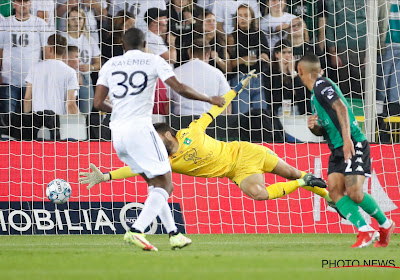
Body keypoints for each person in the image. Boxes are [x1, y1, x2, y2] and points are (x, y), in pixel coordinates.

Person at [81, 70, 341, 219]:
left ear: (170, 135)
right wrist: (105, 176)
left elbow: (217, 108)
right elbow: (134, 169)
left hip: (245, 150)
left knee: (293, 172)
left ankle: (330, 197)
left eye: (158, 141)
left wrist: (238, 87)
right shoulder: (161, 159)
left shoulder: (192, 130)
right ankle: (304, 183)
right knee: (260, 194)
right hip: (236, 171)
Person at [93, 27, 225, 251]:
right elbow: (180, 88)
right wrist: (209, 97)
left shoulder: (110, 64)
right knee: (165, 183)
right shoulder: (153, 60)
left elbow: (97, 103)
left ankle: (174, 234)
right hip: (141, 129)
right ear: (146, 45)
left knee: (153, 183)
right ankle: (136, 230)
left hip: (117, 132)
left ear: (123, 46)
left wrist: (117, 110)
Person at [298, 53, 395, 248]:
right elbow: (324, 129)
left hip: (352, 143)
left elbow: (341, 108)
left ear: (301, 71)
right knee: (334, 191)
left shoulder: (321, 85)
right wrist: (314, 128)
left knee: (354, 192)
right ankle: (366, 229)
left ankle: (385, 224)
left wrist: (347, 139)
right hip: (337, 149)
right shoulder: (314, 96)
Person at [22, 34, 79, 140]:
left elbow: (27, 99)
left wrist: (27, 120)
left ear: (50, 48)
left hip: (36, 121)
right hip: (57, 123)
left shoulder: (35, 68)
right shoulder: (70, 72)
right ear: (64, 50)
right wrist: (79, 121)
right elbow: (71, 104)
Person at [170, 39, 231, 115]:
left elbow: (167, 100)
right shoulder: (217, 73)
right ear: (207, 55)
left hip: (181, 118)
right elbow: (227, 102)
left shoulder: (175, 72)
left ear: (189, 53)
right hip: (208, 120)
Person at [228, 4, 269, 114]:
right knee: (241, 116)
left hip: (258, 78)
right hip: (240, 79)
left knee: (261, 117)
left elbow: (268, 58)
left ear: (252, 18)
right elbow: (227, 65)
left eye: (246, 15)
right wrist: (242, 60)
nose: (243, 18)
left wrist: (264, 57)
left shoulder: (259, 34)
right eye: (240, 15)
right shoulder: (231, 37)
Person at [63, 6, 101, 114]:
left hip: (85, 80)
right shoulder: (62, 38)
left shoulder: (90, 39)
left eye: (79, 18)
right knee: (66, 113)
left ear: (84, 20)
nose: (77, 22)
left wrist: (91, 67)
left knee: (85, 115)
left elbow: (99, 63)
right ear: (68, 21)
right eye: (73, 19)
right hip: (66, 79)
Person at [265, 39, 307, 115]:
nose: (287, 55)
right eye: (284, 52)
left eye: (289, 52)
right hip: (277, 110)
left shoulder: (298, 70)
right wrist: (282, 71)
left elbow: (301, 95)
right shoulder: (269, 72)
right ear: (277, 54)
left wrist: (292, 72)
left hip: (295, 108)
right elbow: (273, 97)